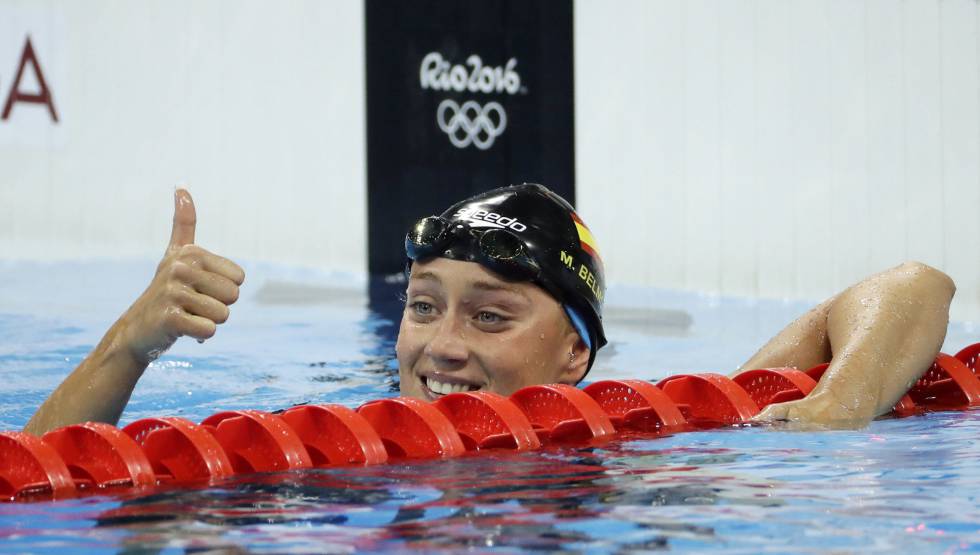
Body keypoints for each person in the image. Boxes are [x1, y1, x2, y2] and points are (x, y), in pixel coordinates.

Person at [23, 184, 956, 435]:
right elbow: (34, 488)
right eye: (423, 305)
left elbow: (912, 288)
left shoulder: (633, 439)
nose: (440, 346)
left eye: (492, 316)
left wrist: (839, 405)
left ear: (574, 359)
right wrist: (130, 344)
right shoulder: (327, 444)